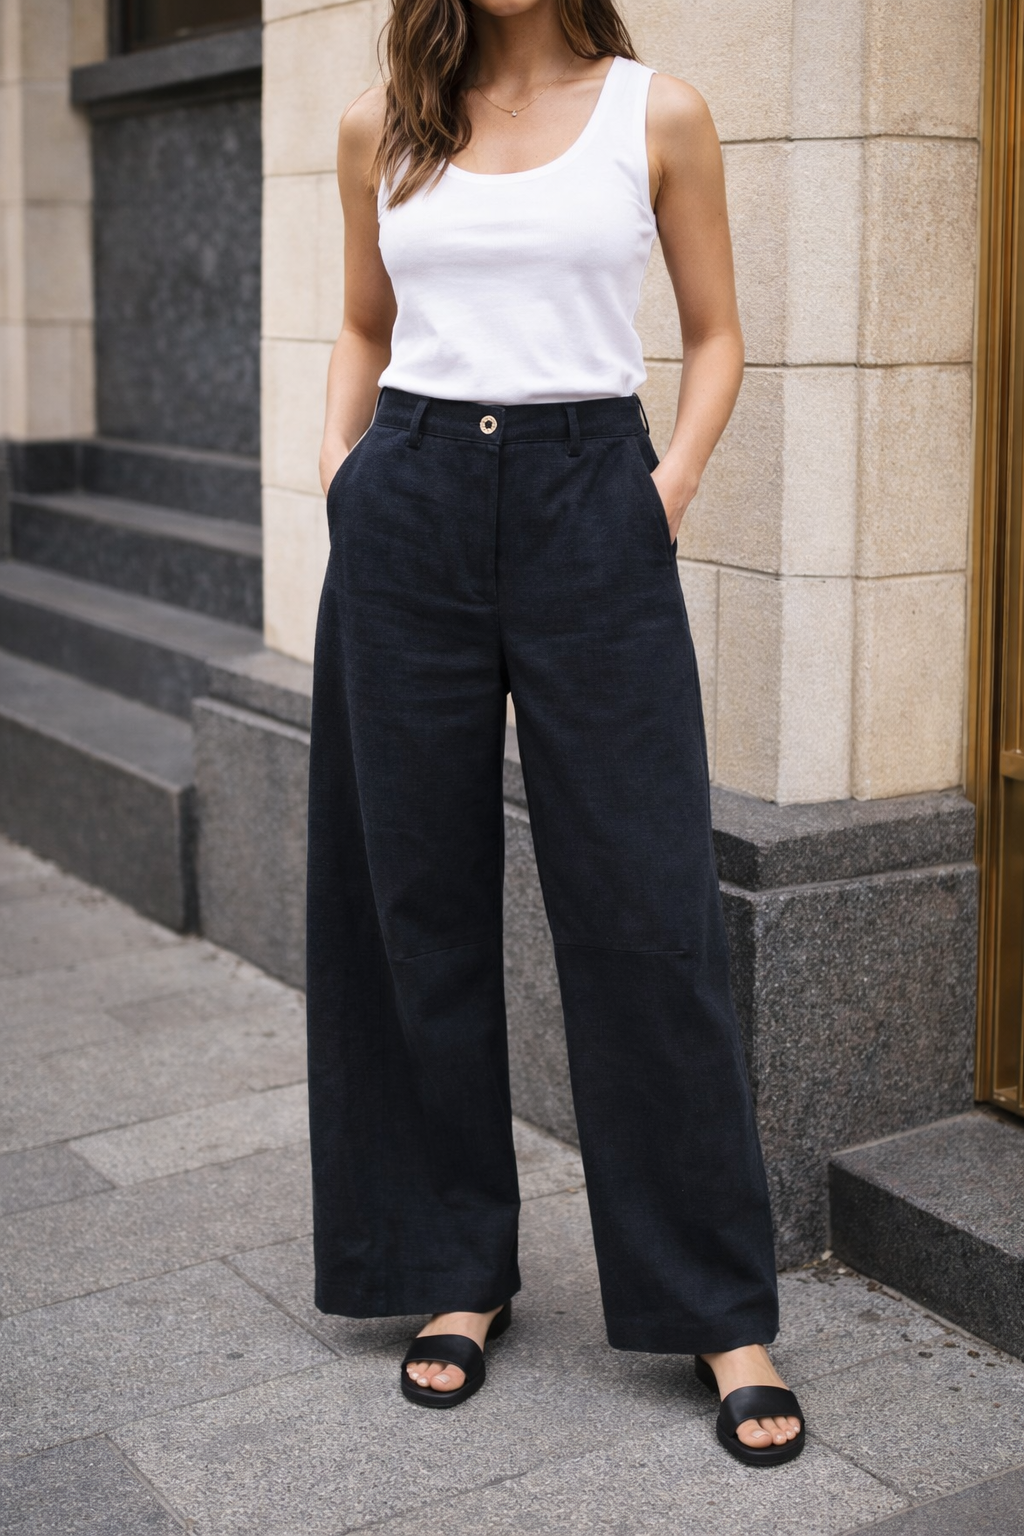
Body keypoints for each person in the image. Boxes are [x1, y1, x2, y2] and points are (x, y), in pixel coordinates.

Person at [307, 0, 805, 1468]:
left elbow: (716, 340)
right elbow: (361, 321)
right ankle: (447, 1268)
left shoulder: (658, 113)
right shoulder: (382, 122)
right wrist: (343, 477)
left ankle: (718, 1305)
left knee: (647, 905)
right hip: (406, 507)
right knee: (413, 901)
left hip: (597, 499)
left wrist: (663, 493)